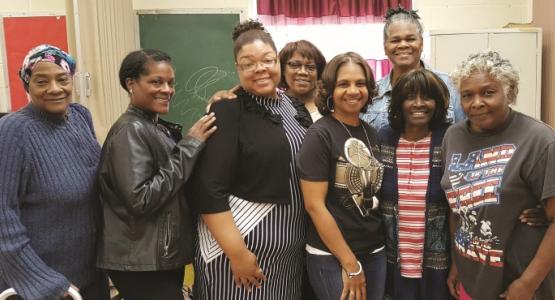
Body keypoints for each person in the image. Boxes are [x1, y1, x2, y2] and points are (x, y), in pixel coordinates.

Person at [189, 20, 311, 299]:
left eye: (267, 60)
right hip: (238, 253)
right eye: (248, 64)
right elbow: (209, 189)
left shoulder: (293, 107)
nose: (260, 68)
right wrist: (238, 253)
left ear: (278, 61)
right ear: (238, 69)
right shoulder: (227, 109)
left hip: (287, 255)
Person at [96, 49, 216, 299]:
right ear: (131, 84)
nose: (167, 90)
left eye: (170, 83)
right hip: (141, 262)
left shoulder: (151, 126)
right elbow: (142, 199)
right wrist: (191, 145)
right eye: (156, 82)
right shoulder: (130, 131)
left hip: (154, 258)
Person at [441, 50, 555, 300]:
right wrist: (456, 263)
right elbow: (456, 205)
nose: (476, 102)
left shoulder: (539, 140)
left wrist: (528, 284)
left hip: (515, 284)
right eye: (467, 95)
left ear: (509, 92)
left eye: (488, 92)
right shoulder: (454, 136)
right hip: (471, 280)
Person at [0, 44, 109, 299]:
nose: (54, 88)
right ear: (27, 86)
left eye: (63, 79)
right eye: (41, 81)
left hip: (90, 278)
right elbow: (3, 219)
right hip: (38, 287)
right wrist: (47, 284)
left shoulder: (80, 117)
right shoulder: (12, 131)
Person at [297, 52, 385, 300]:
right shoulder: (320, 135)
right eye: (343, 84)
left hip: (374, 250)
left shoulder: (370, 132)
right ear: (330, 91)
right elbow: (314, 206)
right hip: (332, 255)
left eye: (360, 83)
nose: (353, 90)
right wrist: (350, 263)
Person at [378, 69, 452, 299]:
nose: (418, 104)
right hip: (391, 259)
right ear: (399, 103)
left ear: (438, 103)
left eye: (426, 97)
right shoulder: (384, 138)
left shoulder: (449, 138)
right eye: (410, 97)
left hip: (439, 263)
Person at [361, 7, 465, 131]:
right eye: (395, 40)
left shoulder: (449, 85)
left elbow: (463, 134)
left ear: (421, 44)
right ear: (385, 48)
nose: (403, 45)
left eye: (410, 39)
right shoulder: (373, 93)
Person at [278, 40, 326, 122]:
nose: (302, 72)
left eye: (310, 67)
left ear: (319, 72)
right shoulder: (273, 106)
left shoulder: (331, 107)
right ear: (282, 70)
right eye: (294, 65)